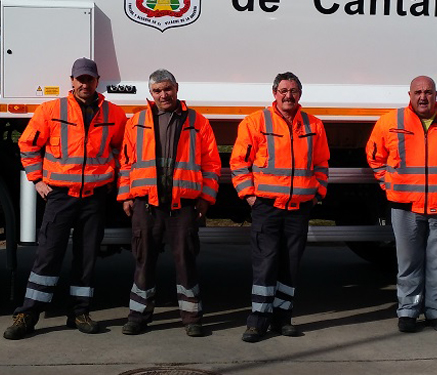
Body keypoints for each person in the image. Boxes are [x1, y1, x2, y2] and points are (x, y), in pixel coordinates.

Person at [3, 57, 127, 340]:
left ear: (98, 81)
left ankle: (79, 312)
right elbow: (27, 145)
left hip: (95, 198)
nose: (85, 83)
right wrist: (36, 180)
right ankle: (28, 314)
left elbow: (122, 150)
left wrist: (112, 178)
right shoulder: (51, 110)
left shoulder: (114, 114)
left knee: (86, 258)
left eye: (90, 79)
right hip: (60, 196)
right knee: (47, 256)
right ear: (71, 81)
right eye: (80, 79)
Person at [366, 76, 437, 333]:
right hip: (405, 207)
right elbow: (374, 156)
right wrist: (387, 183)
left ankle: (436, 313)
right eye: (418, 92)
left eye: (428, 92)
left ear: (436, 94)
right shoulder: (390, 122)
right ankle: (408, 312)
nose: (423, 97)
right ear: (410, 94)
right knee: (409, 262)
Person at [117, 69, 221, 338]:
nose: (163, 94)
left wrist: (206, 198)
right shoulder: (137, 121)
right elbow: (126, 163)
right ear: (150, 94)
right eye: (157, 91)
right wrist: (126, 195)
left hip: (183, 206)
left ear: (176, 88)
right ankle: (137, 317)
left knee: (186, 261)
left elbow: (211, 165)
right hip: (146, 204)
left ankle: (192, 318)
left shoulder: (197, 121)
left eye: (167, 89)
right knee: (143, 261)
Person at [231, 72, 330, 343]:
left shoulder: (314, 125)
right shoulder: (255, 122)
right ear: (274, 92)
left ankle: (283, 318)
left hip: (299, 208)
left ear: (301, 94)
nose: (289, 95)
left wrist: (317, 193)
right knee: (265, 263)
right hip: (266, 207)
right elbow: (238, 162)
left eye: (294, 90)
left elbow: (321, 164)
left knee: (290, 265)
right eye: (284, 90)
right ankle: (257, 321)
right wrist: (249, 197)